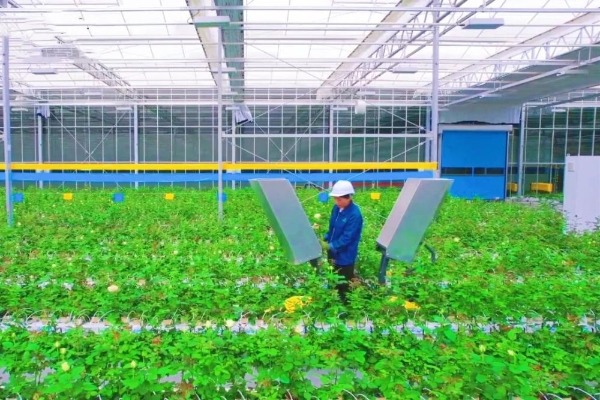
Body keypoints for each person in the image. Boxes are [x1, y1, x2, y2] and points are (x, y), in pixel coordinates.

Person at [320, 180, 363, 304]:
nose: (336, 202)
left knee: (343, 284)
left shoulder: (355, 214)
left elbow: (347, 238)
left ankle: (344, 309)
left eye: (339, 199)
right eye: (335, 199)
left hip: (345, 255)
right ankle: (333, 304)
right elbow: (332, 228)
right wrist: (326, 237)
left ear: (349, 197)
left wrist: (330, 246)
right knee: (332, 279)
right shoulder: (336, 208)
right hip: (332, 253)